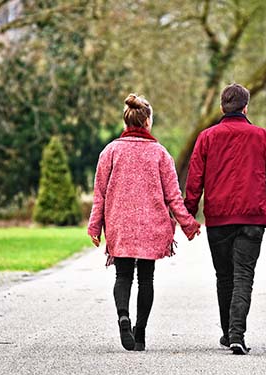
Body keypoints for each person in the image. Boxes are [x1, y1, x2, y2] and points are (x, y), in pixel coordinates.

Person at [88, 93, 200, 352]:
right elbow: (173, 196)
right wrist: (188, 224)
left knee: (123, 274)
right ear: (147, 122)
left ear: (126, 122)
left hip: (120, 223)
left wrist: (95, 227)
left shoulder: (110, 152)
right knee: (146, 279)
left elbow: (100, 195)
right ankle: (140, 334)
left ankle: (123, 316)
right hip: (152, 226)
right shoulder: (160, 154)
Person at [185, 83, 266, 355]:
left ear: (222, 108)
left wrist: (189, 214)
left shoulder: (206, 138)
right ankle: (236, 333)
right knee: (244, 275)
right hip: (252, 217)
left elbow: (194, 180)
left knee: (224, 276)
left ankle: (228, 333)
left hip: (218, 218)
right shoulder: (262, 137)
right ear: (246, 107)